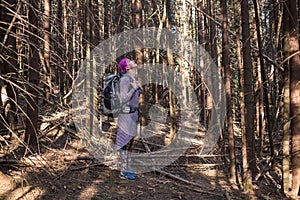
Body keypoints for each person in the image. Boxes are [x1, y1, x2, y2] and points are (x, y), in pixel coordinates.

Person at [115, 57, 142, 180]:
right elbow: (122, 98)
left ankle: (127, 167)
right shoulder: (125, 80)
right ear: (127, 67)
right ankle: (122, 170)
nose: (132, 61)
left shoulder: (131, 78)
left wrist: (138, 87)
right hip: (126, 115)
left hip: (133, 115)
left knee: (130, 142)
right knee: (124, 142)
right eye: (129, 61)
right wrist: (134, 88)